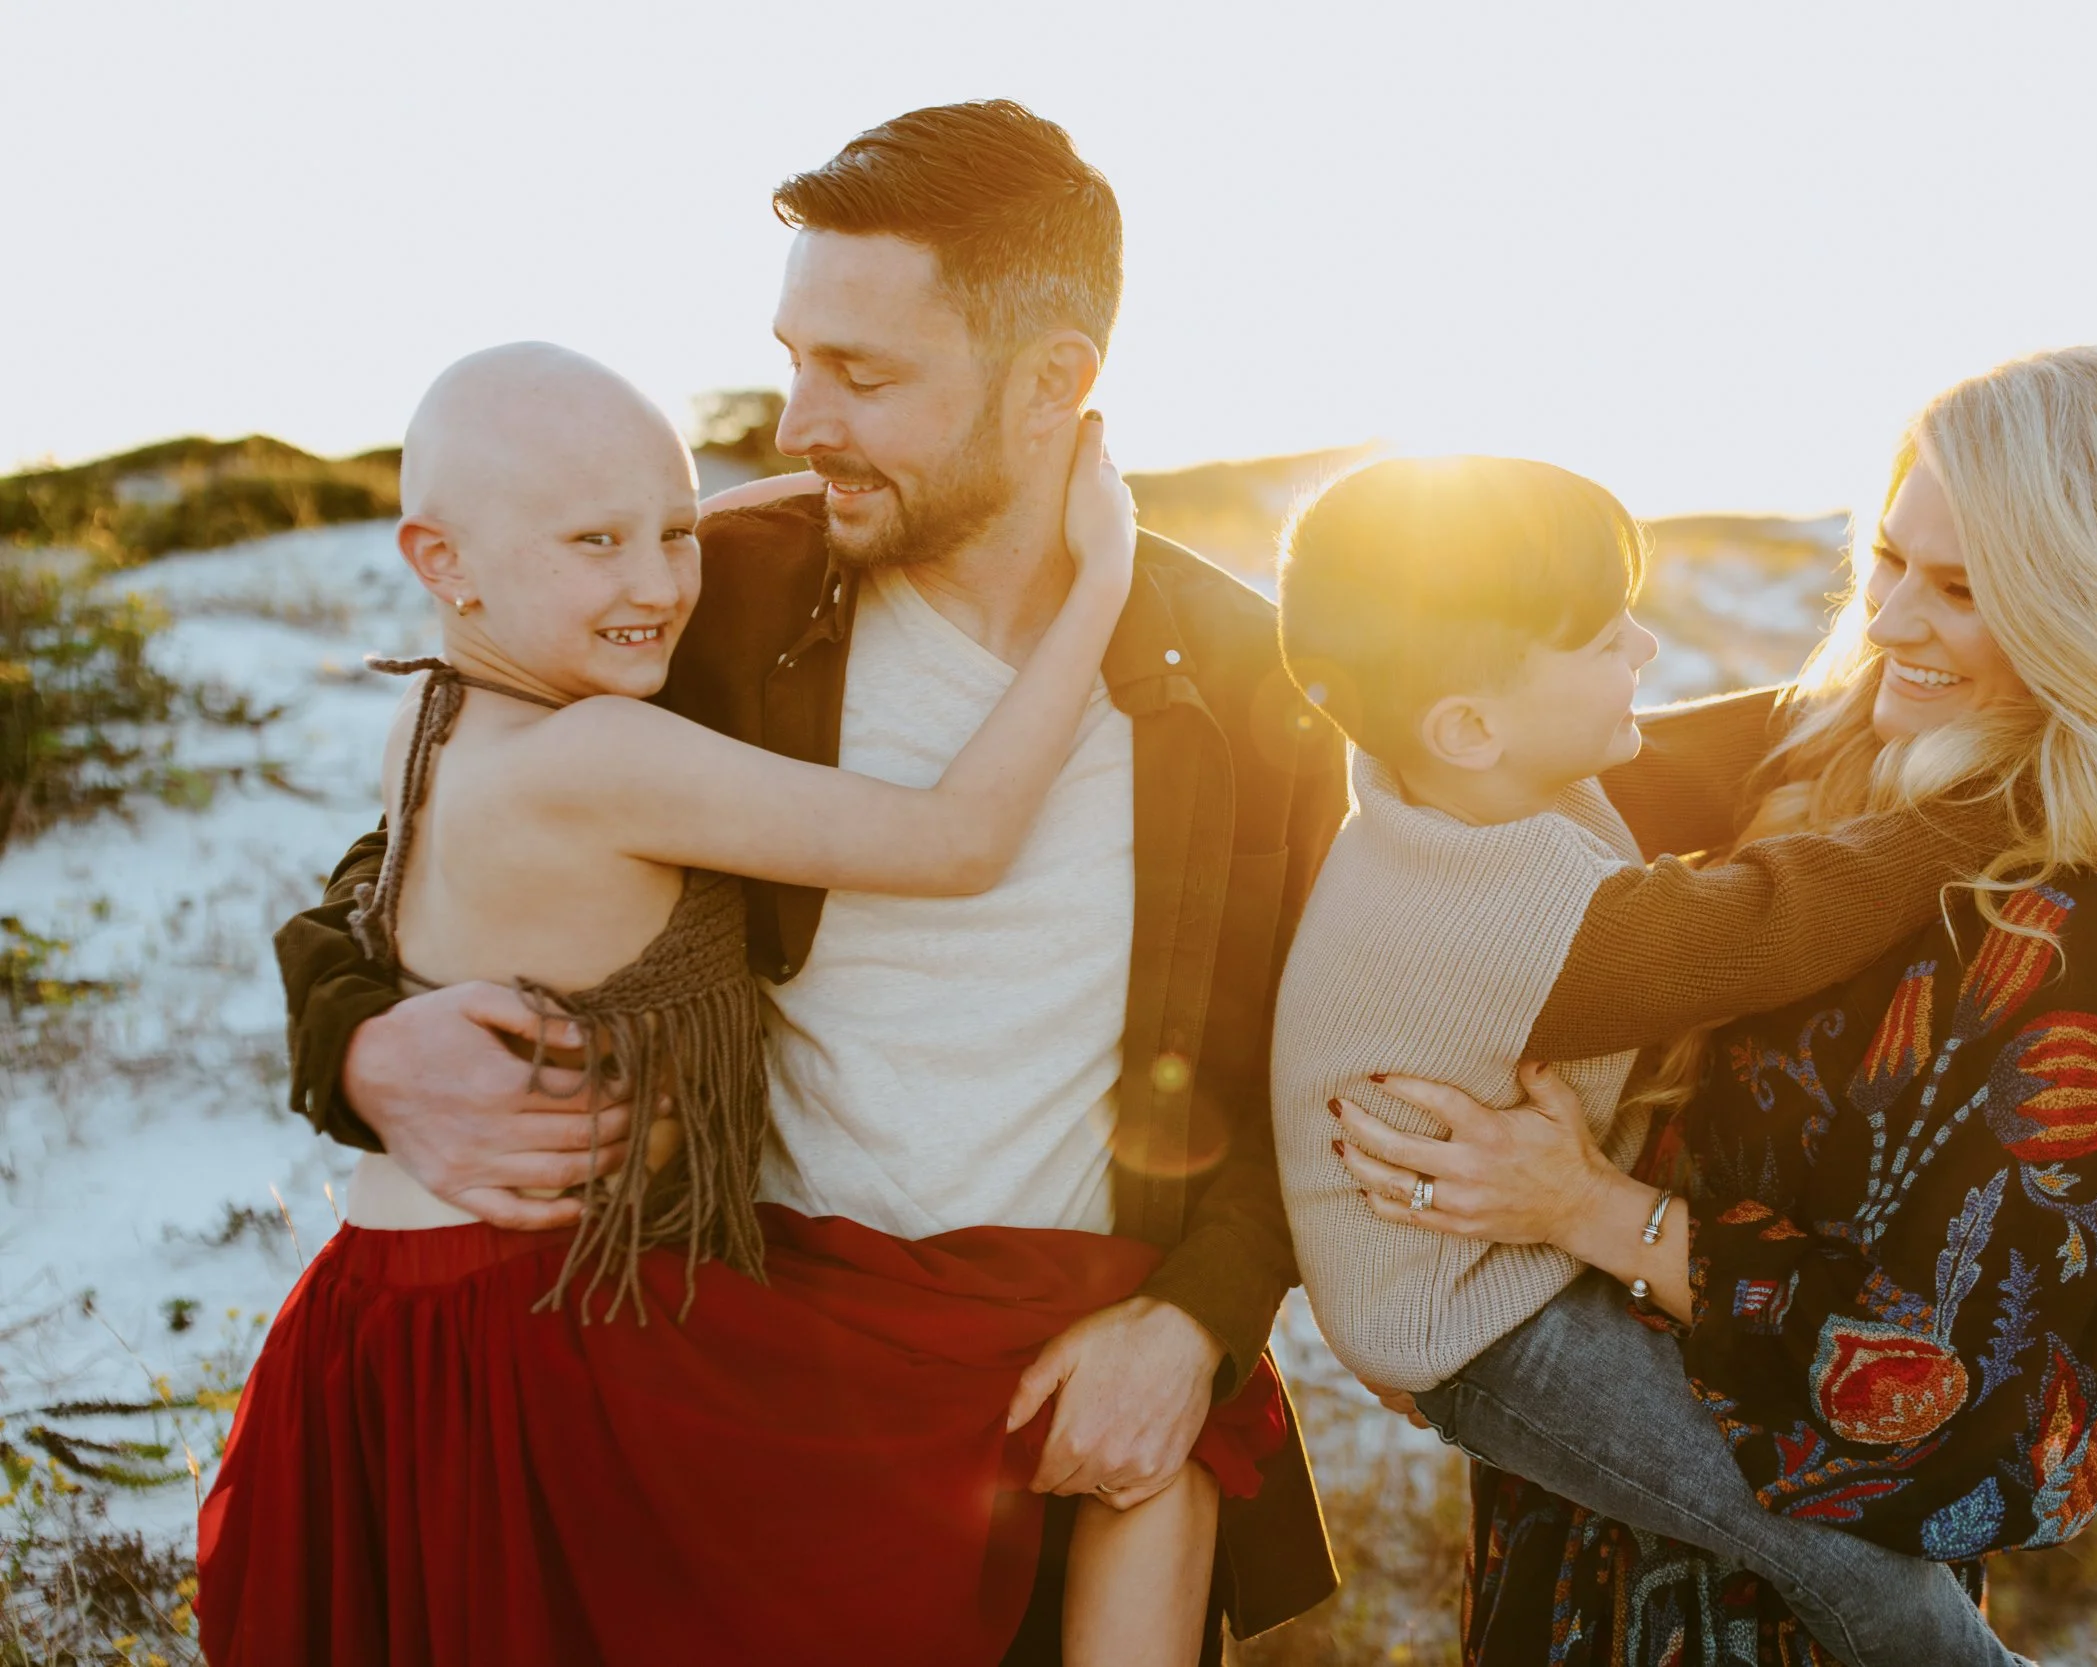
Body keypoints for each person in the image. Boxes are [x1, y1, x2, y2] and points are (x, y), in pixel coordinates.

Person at [251, 102, 1341, 1662]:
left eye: (863, 374)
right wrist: (358, 1041)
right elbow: (425, 841)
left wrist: (1198, 1320)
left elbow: (1320, 1056)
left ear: (1055, 385)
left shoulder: (1249, 681)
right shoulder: (710, 591)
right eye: (795, 355)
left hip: (1065, 1397)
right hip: (730, 1393)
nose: (794, 422)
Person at [1329, 347, 2097, 1665]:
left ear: (2096, 614)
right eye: (1889, 559)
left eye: (1959, 590)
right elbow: (1487, 740)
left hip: (1772, 1611)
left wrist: (1580, 1207)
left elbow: (1951, 1377)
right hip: (1580, 1531)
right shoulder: (1828, 757)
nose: (1891, 620)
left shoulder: (2070, 927)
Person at [1271, 454, 2022, 1664]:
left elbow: (1728, 744)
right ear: (1470, 722)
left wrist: (1885, 685)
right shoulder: (1506, 922)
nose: (1645, 649)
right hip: (1476, 1329)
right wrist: (1990, 809)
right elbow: (1766, 922)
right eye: (1601, 636)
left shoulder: (1447, 783)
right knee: (1822, 1536)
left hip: (1508, 1265)